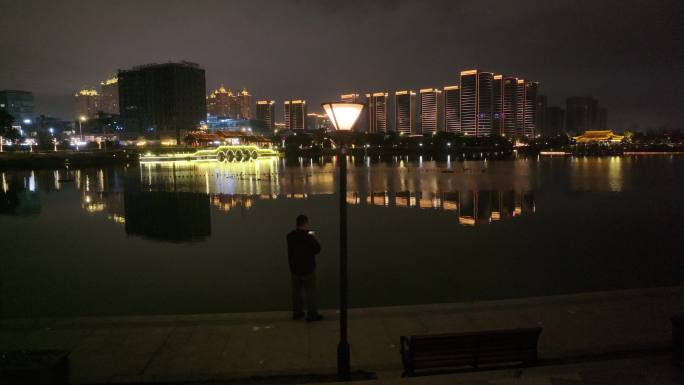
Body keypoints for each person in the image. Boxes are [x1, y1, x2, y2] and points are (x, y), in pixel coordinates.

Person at [286, 214, 323, 321]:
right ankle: (312, 314)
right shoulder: (309, 237)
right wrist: (314, 238)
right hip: (308, 269)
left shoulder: (290, 236)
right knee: (310, 292)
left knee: (296, 292)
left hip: (295, 269)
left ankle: (297, 313)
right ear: (305, 224)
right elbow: (317, 250)